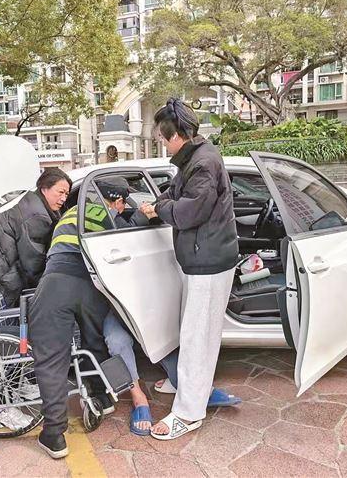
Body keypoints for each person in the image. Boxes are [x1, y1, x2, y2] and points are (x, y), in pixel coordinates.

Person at [139, 98, 239, 441]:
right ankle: (186, 384)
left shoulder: (203, 163)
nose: (161, 143)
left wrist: (160, 209)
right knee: (191, 331)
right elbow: (175, 195)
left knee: (198, 339)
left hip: (208, 263)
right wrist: (157, 204)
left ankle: (188, 412)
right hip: (198, 259)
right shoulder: (192, 160)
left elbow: (189, 212)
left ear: (175, 136)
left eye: (161, 138)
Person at [29, 176, 148, 459]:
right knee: (93, 343)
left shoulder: (75, 211)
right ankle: (102, 398)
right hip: (90, 289)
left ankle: (54, 435)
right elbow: (126, 239)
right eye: (123, 203)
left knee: (52, 359)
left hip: (57, 282)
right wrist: (142, 217)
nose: (122, 208)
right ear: (116, 201)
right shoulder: (105, 213)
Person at [0, 167, 71, 431]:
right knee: (3, 343)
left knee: (13, 334)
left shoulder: (37, 207)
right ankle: (1, 409)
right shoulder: (36, 216)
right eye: (60, 192)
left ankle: (16, 387)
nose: (64, 198)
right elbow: (34, 264)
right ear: (44, 188)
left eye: (67, 193)